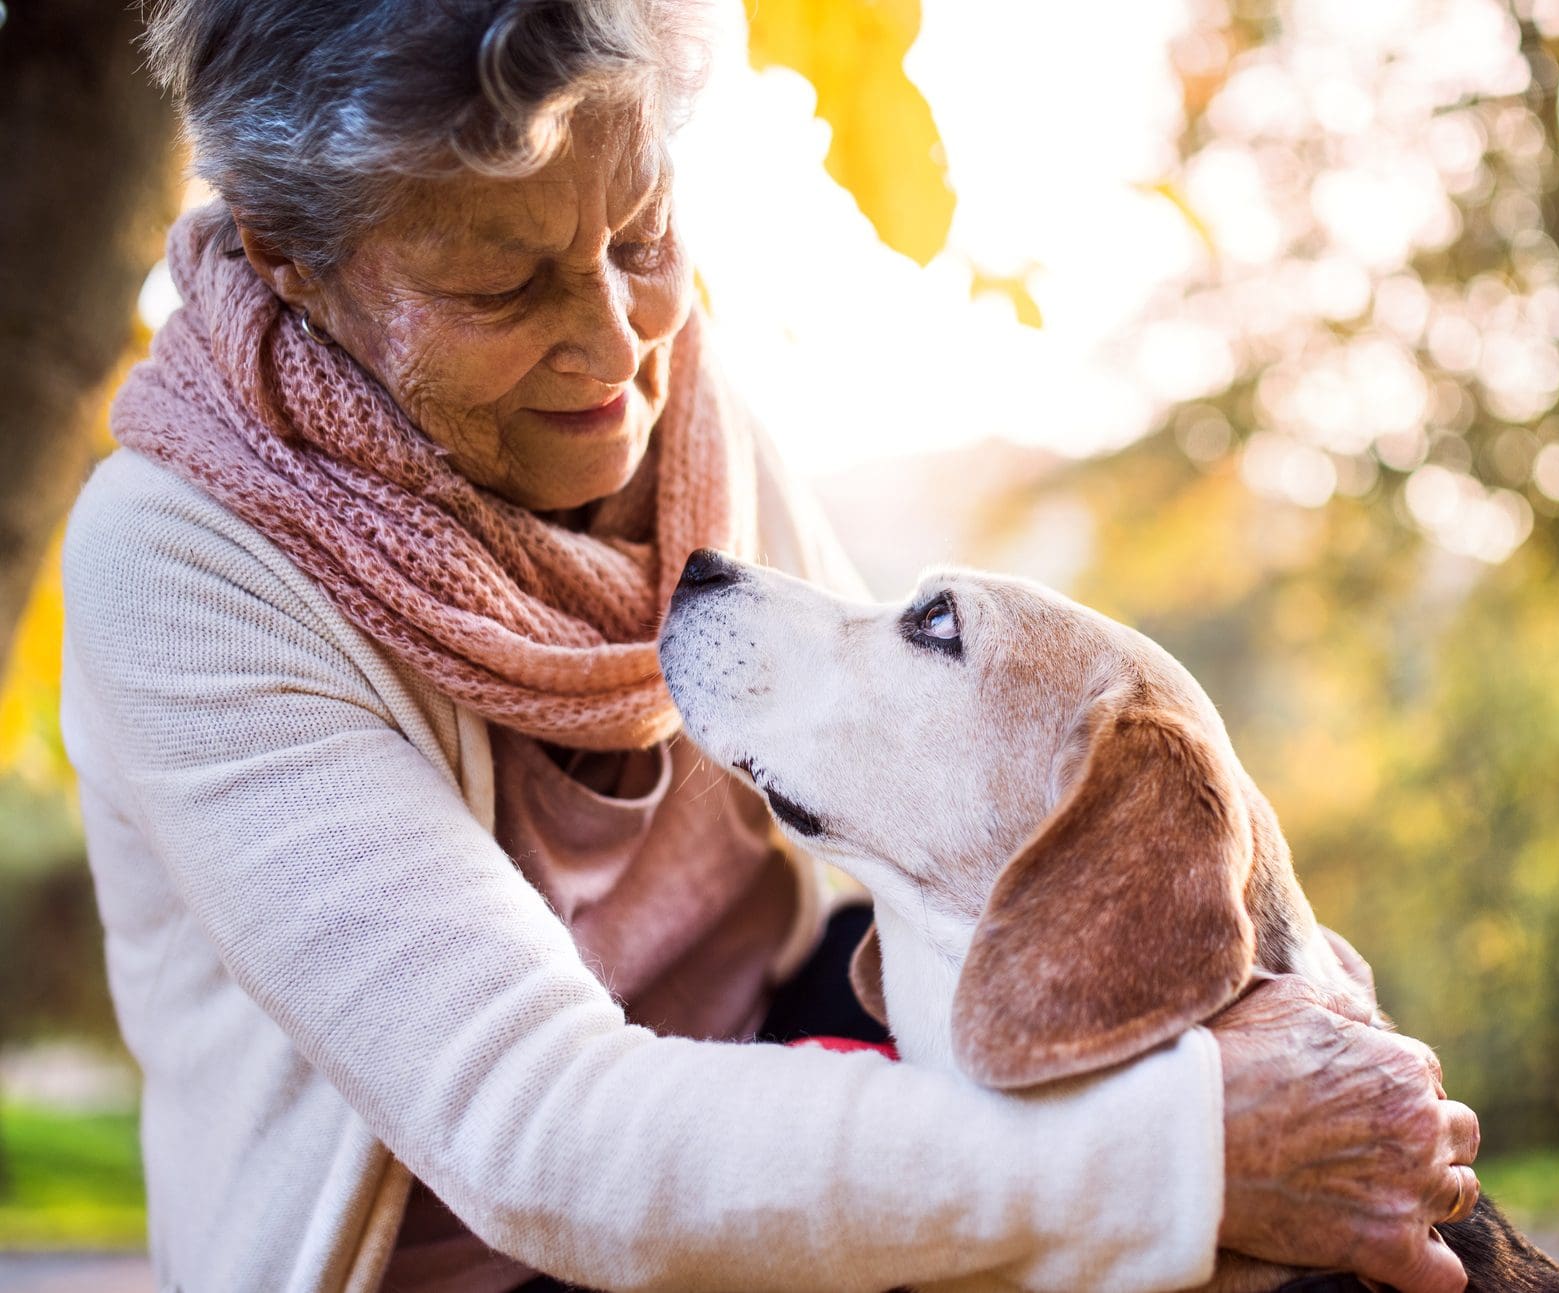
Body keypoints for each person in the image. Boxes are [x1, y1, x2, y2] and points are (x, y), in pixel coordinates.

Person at [59, 2, 1481, 1291]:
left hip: (789, 1036)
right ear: (287, 261)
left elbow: (907, 789)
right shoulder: (179, 566)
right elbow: (539, 1133)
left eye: (641, 235)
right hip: (495, 1248)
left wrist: (1295, 1025)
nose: (618, 346)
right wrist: (1182, 1148)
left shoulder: (674, 402)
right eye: (504, 288)